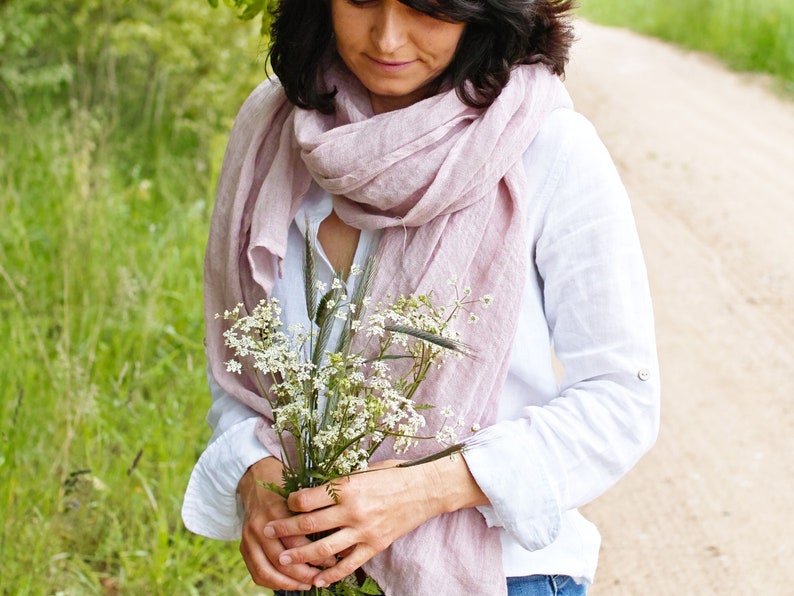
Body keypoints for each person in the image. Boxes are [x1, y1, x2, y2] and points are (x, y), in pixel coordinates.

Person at [182, 0, 660, 594]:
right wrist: (254, 474)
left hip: (500, 576)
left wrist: (422, 491)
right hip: (318, 576)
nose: (387, 36)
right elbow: (237, 369)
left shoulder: (548, 146)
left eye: (426, 7)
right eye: (359, 1)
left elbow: (620, 400)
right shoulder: (270, 133)